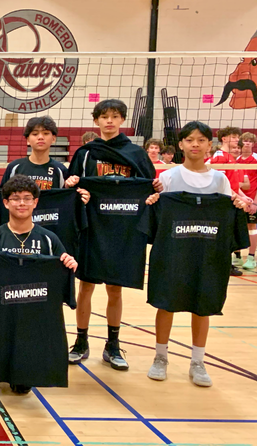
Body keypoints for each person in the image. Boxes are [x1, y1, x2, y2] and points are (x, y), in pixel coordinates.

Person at [145, 121, 250, 387]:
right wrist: (153, 201)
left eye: (201, 140)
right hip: (174, 252)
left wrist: (238, 204)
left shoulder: (220, 179)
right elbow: (157, 212)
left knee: (203, 306)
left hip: (207, 253)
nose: (195, 144)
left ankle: (198, 361)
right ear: (181, 144)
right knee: (166, 303)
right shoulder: (168, 177)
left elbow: (230, 208)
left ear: (209, 145)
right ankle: (160, 357)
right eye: (190, 139)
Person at [66, 99, 158, 372]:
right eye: (104, 116)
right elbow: (71, 190)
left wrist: (156, 189)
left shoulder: (136, 153)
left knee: (115, 288)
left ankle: (113, 345)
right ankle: (81, 341)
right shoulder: (86, 153)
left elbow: (149, 187)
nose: (109, 121)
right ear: (96, 121)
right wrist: (74, 187)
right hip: (92, 228)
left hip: (123, 230)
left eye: (115, 116)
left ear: (122, 120)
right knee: (85, 287)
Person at [0, 175, 78, 394]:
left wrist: (70, 266)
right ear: (5, 203)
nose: (21, 203)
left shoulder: (49, 239)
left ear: (35, 202)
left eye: (27, 198)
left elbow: (62, 274)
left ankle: (25, 367)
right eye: (15, 198)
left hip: (34, 309)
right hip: (1, 308)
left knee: (22, 387)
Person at [0, 116, 89, 203]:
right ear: (28, 140)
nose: (40, 137)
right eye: (35, 134)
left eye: (46, 133)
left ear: (53, 138)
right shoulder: (14, 167)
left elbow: (67, 200)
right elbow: (2, 197)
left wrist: (82, 196)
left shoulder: (60, 170)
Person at [207, 126, 245, 276]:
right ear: (224, 139)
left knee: (228, 234)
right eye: (234, 137)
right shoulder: (220, 157)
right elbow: (220, 184)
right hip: (222, 202)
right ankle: (222, 265)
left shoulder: (230, 157)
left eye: (237, 137)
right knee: (222, 235)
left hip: (231, 200)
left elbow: (232, 183)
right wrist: (237, 197)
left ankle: (226, 264)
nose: (237, 140)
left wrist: (242, 195)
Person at [236, 132, 257, 269]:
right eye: (245, 141)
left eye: (250, 141)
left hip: (251, 199)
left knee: (251, 226)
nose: (247, 143)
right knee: (235, 226)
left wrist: (256, 202)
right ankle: (237, 257)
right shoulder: (236, 159)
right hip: (238, 198)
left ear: (253, 144)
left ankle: (251, 258)